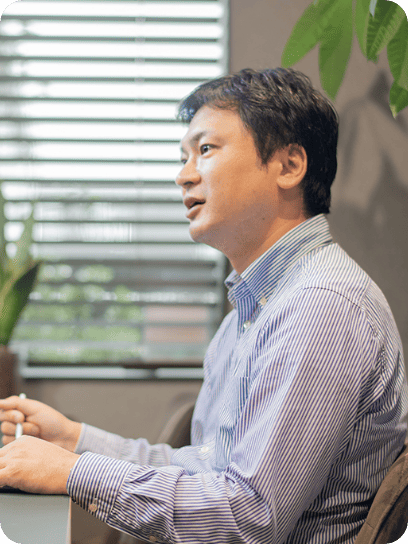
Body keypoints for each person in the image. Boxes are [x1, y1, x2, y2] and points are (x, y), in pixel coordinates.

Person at [0, 67, 407, 544]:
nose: (183, 175)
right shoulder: (255, 310)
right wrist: (74, 440)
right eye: (183, 157)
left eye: (206, 149)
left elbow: (246, 516)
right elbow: (207, 469)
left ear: (289, 165)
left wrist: (73, 472)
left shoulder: (321, 307)